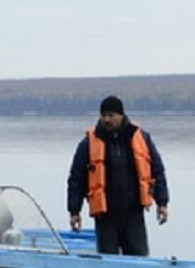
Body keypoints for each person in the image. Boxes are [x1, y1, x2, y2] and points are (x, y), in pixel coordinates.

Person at [66, 95, 169, 255]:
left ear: (121, 115)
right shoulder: (88, 144)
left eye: (111, 115)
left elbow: (157, 171)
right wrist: (74, 211)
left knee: (138, 259)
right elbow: (76, 179)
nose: (106, 119)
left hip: (133, 212)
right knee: (107, 261)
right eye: (103, 115)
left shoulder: (141, 138)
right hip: (105, 216)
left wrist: (162, 203)